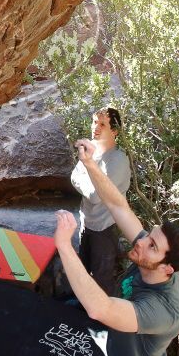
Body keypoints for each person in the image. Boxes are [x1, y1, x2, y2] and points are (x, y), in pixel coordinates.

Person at [54, 139, 179, 356]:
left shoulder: (163, 310)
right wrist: (90, 163)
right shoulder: (150, 256)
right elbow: (119, 205)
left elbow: (100, 308)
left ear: (168, 269)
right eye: (148, 235)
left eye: (152, 245)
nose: (141, 242)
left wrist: (64, 246)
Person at [70, 108, 131, 295]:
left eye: (102, 124)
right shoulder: (92, 154)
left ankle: (102, 322)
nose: (95, 127)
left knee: (101, 282)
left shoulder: (118, 160)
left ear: (114, 131)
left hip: (104, 230)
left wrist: (87, 178)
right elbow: (73, 177)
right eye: (94, 122)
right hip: (87, 225)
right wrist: (90, 181)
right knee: (85, 276)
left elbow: (95, 196)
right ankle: (82, 315)